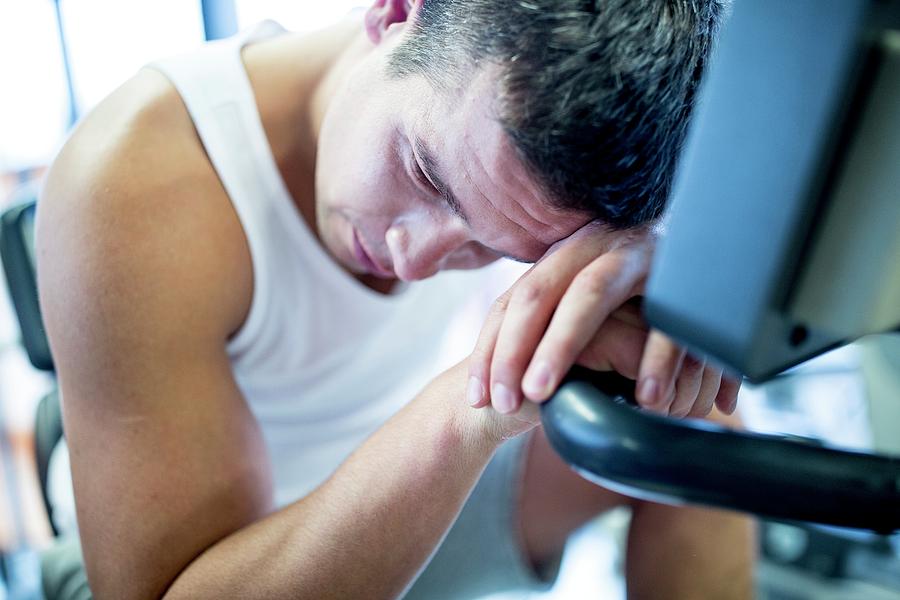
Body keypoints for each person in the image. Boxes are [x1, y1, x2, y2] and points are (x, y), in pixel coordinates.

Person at [36, 0, 755, 598]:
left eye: (495, 247)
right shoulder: (137, 177)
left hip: (392, 486)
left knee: (690, 439)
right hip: (198, 573)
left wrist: (645, 265)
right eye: (425, 174)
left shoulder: (530, 153)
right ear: (395, 11)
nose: (415, 260)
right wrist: (476, 402)